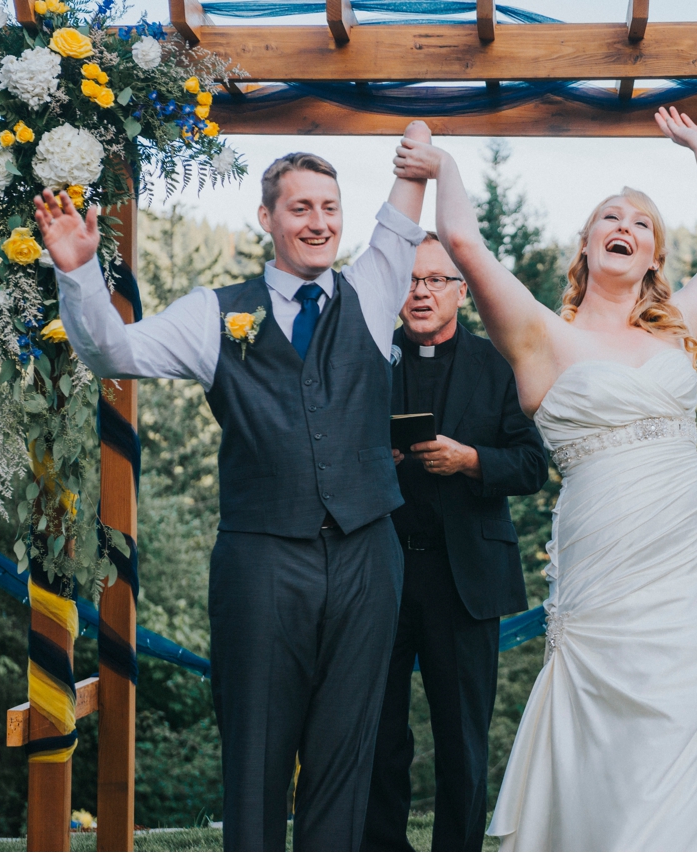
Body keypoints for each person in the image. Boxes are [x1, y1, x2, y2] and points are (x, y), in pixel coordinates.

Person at [391, 107, 697, 850]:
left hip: (693, 555)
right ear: (586, 243)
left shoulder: (681, 329)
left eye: (641, 223)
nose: (625, 225)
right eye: (611, 216)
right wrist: (444, 168)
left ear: (653, 257)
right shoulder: (541, 336)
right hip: (605, 559)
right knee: (615, 718)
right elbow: (465, 244)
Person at [35, 124, 431, 851]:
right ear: (266, 218)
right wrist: (80, 274)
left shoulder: (375, 288)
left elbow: (407, 198)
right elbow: (112, 351)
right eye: (301, 208)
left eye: (330, 208)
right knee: (256, 751)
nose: (319, 223)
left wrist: (420, 134)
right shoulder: (212, 312)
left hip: (368, 555)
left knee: (347, 752)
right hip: (261, 560)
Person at [362, 234, 547, 851]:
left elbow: (533, 465)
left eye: (436, 280)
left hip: (465, 578)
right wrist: (375, 459)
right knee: (378, 732)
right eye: (411, 280)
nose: (421, 292)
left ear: (462, 291)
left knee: (463, 737)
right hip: (379, 573)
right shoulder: (365, 360)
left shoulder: (498, 365)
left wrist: (472, 461)